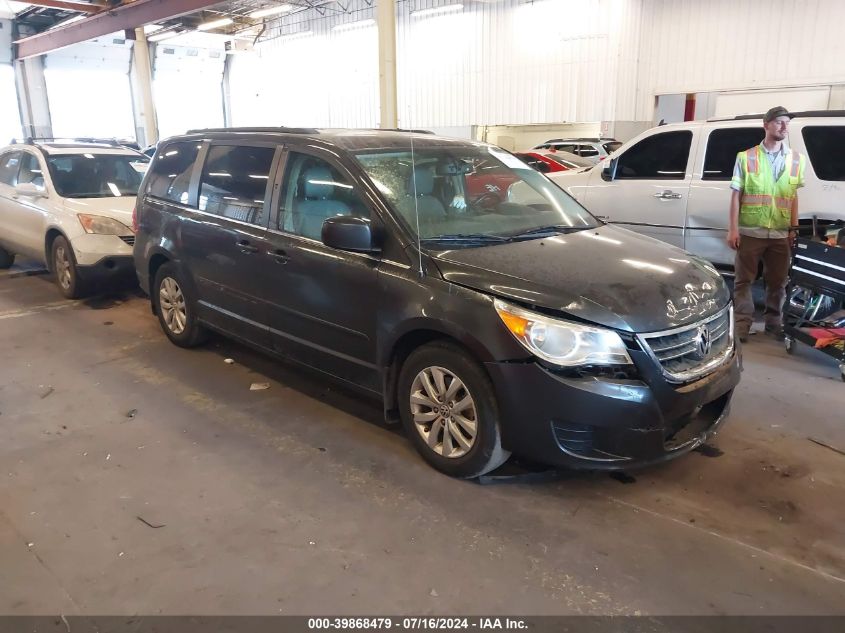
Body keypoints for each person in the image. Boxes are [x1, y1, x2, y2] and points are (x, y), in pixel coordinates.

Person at [727, 106, 806, 342]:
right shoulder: (746, 156)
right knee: (744, 281)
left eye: (786, 123)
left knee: (778, 282)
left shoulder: (796, 159)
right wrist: (733, 229)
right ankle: (742, 325)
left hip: (781, 233)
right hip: (751, 231)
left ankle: (773, 324)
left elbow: (792, 196)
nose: (784, 127)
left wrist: (793, 228)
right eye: (779, 122)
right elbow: (735, 195)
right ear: (766, 125)